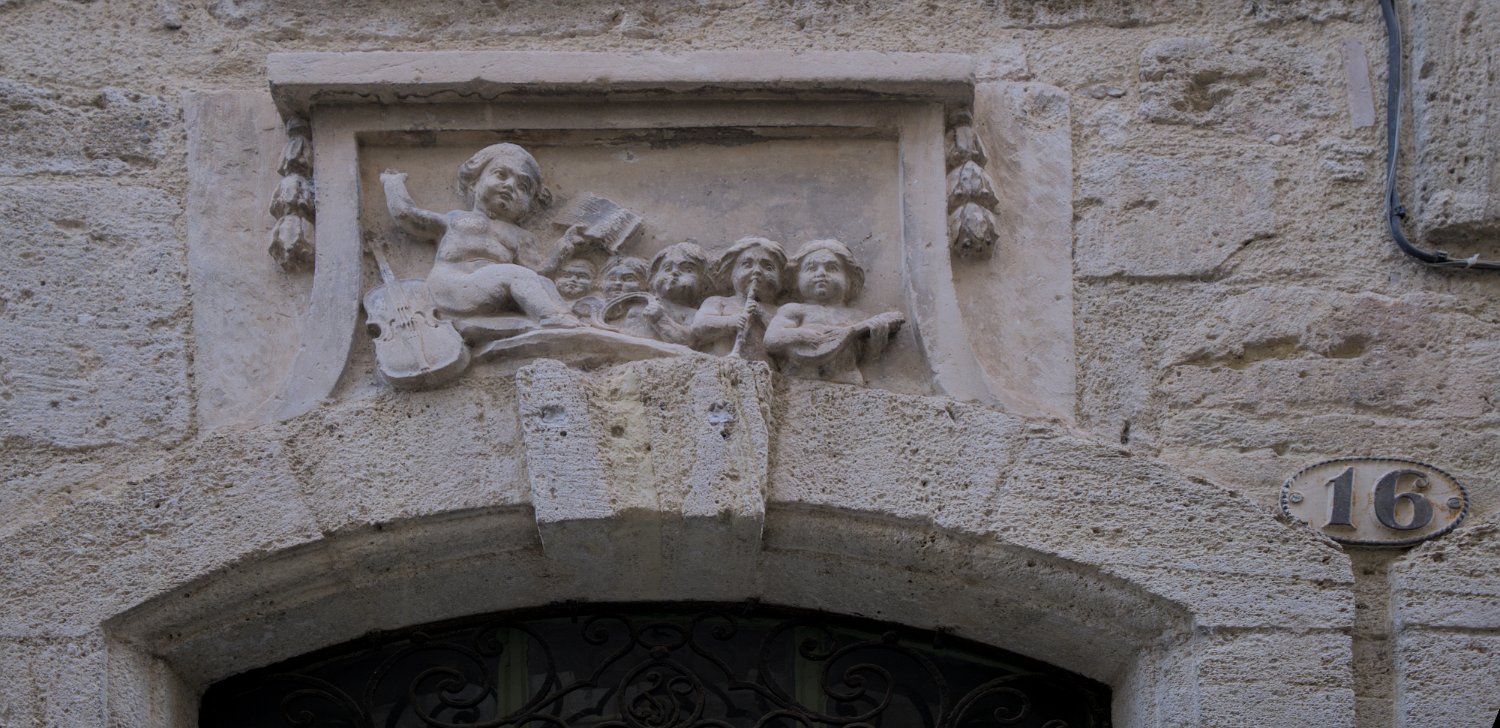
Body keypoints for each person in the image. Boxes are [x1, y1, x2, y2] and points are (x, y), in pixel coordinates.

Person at [380, 143, 581, 329]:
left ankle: (566, 318)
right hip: (451, 287)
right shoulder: (456, 219)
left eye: (523, 186)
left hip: (493, 289)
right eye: (501, 175)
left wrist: (564, 247)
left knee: (543, 284)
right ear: (474, 182)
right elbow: (406, 214)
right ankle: (550, 318)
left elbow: (538, 272)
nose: (510, 185)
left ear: (528, 205)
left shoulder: (521, 237)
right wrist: (393, 183)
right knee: (514, 274)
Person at [764, 239, 904, 384]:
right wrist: (802, 335)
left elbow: (868, 354)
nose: (821, 273)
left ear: (849, 279)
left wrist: (878, 334)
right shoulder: (794, 309)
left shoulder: (858, 317)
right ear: (796, 279)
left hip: (848, 380)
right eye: (811, 268)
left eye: (832, 268)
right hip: (797, 381)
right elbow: (772, 338)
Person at [691, 236, 786, 360]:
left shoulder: (780, 311)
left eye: (768, 267)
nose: (757, 271)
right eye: (747, 265)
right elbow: (699, 325)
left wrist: (762, 314)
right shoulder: (718, 302)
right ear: (730, 273)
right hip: (722, 364)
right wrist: (732, 321)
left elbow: (783, 340)